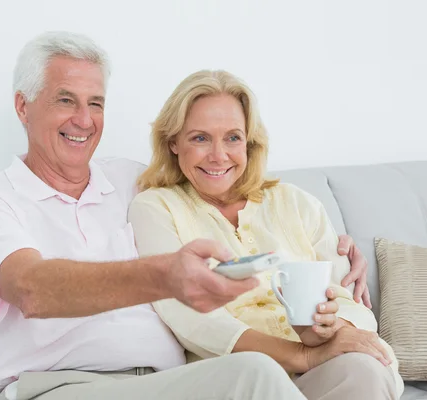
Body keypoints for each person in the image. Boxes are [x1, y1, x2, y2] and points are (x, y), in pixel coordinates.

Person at [0, 31, 372, 400]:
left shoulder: (133, 181)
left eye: (95, 103)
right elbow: (31, 290)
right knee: (255, 374)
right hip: (60, 386)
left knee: (355, 373)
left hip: (172, 383)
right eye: (66, 100)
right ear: (22, 107)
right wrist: (164, 277)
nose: (83, 120)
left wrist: (336, 248)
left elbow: (219, 182)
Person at [127, 69, 404, 399]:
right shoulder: (156, 207)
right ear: (173, 142)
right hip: (236, 377)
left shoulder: (297, 203)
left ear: (249, 141)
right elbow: (188, 319)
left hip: (321, 371)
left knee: (367, 368)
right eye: (200, 138)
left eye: (233, 137)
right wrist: (302, 354)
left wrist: (329, 329)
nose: (219, 155)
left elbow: (351, 299)